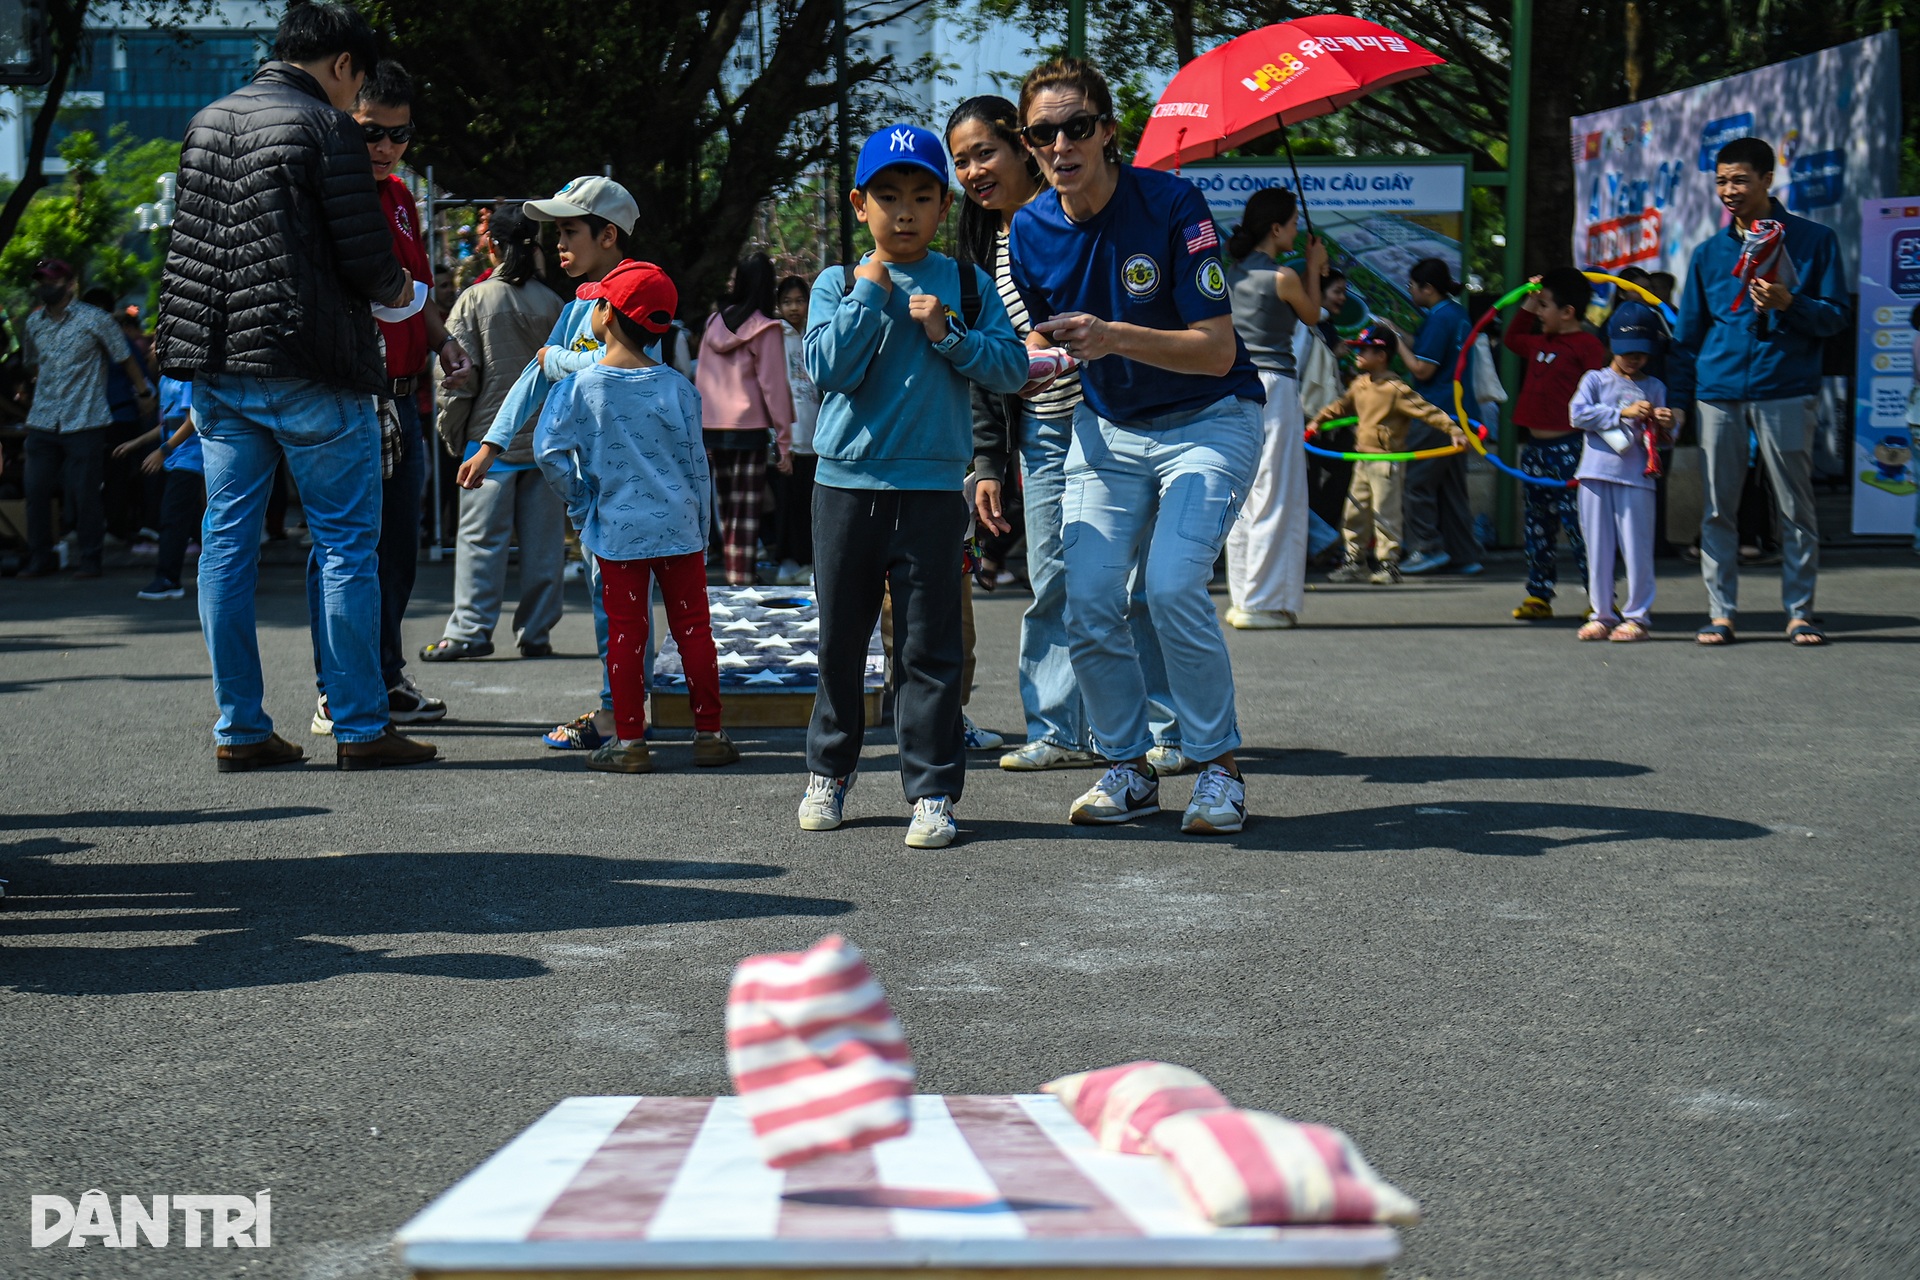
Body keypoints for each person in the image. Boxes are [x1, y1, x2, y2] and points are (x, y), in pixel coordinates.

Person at [156, 0, 433, 770]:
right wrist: (403, 295)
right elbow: (365, 255)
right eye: (358, 82)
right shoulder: (326, 129)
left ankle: (241, 729)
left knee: (225, 547)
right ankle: (360, 726)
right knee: (347, 546)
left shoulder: (208, 121)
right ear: (343, 65)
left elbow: (191, 248)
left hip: (216, 366)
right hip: (310, 362)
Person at [1005, 57, 1267, 835]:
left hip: (1210, 419)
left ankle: (1218, 768)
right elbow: (1043, 336)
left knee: (1171, 585)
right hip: (1108, 431)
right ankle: (1127, 768)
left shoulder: (1174, 203)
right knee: (1086, 597)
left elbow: (1217, 351)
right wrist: (1026, 362)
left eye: (1076, 126)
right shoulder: (1028, 228)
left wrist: (1113, 336)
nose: (1060, 144)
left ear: (1108, 130)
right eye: (1042, 132)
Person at [799, 121, 1028, 849]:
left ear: (944, 206)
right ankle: (829, 773)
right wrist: (869, 295)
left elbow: (1013, 369)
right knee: (842, 639)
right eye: (888, 197)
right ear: (859, 202)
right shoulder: (838, 282)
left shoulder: (966, 283)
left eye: (922, 197)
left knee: (929, 648)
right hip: (845, 487)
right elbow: (827, 370)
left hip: (933, 494)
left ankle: (931, 791)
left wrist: (952, 333)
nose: (904, 213)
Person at [308, 57, 469, 738]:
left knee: (399, 547)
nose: (384, 148)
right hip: (349, 395)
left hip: (404, 399)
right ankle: (337, 688)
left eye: (398, 136)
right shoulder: (326, 191)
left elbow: (421, 292)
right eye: (372, 132)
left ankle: (383, 671)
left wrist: (444, 344)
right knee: (347, 550)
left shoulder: (402, 198)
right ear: (348, 121)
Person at [457, 175, 643, 749]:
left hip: (632, 483)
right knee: (613, 596)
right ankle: (628, 707)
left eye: (569, 231)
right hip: (597, 487)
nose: (557, 244)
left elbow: (626, 377)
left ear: (607, 235)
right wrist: (491, 443)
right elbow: (534, 374)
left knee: (626, 599)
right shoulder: (577, 305)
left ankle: (626, 715)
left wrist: (564, 362)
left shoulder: (638, 301)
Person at [533, 259, 739, 774]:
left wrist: (582, 503)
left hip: (618, 531)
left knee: (628, 634)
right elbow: (698, 468)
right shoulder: (679, 389)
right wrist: (703, 530)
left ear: (606, 313)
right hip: (680, 529)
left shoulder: (579, 388)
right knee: (693, 629)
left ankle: (628, 740)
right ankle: (709, 733)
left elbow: (548, 452)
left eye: (598, 302)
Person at [951, 93, 1106, 774]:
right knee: (1051, 581)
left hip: (1109, 422)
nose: (974, 170)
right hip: (1042, 433)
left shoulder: (1077, 220)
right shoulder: (977, 250)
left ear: (1023, 149)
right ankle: (1056, 729)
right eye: (961, 161)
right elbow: (985, 367)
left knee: (1121, 583)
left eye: (985, 152)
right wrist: (987, 462)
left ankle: (1144, 729)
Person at [1677, 136, 1847, 647]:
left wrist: (1789, 302)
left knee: (1795, 506)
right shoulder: (1708, 254)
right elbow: (1688, 336)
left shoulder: (1815, 241)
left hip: (1786, 389)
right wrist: (1677, 401)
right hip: (1719, 392)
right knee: (1716, 507)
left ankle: (1800, 613)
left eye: (1740, 180)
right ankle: (1721, 612)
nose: (1729, 190)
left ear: (1768, 180)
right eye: (1721, 181)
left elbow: (1836, 317)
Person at [425, 206, 567, 661]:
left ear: (493, 246)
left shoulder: (475, 298)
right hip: (546, 441)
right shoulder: (554, 304)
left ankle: (470, 631)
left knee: (481, 543)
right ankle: (537, 631)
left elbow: (456, 376)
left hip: (491, 442)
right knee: (544, 545)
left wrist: (453, 433)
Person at [1222, 185, 1325, 629]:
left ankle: (1245, 595)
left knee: (1243, 494)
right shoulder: (1284, 277)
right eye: (1294, 222)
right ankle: (1262, 602)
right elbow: (1313, 315)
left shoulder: (1232, 273)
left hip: (1234, 385)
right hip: (1276, 385)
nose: (1298, 229)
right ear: (1277, 227)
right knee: (1277, 492)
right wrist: (1316, 268)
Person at [17, 259, 153, 579]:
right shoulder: (35, 323)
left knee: (84, 492)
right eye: (41, 281)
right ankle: (40, 556)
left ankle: (91, 558)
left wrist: (144, 394)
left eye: (51, 281)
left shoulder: (95, 320)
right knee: (35, 490)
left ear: (69, 284)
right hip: (43, 418)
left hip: (85, 418)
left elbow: (125, 359)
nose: (44, 286)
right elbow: (33, 364)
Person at [1309, 326, 1465, 584]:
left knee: (1385, 513)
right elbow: (1340, 406)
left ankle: (1388, 564)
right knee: (1354, 512)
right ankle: (1354, 561)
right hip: (1362, 460)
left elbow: (1426, 411)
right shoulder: (1360, 385)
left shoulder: (1396, 389)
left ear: (1381, 355)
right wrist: (1317, 421)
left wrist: (1454, 429)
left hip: (1386, 461)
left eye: (1363, 350)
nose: (1356, 354)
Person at [1503, 267, 1609, 620]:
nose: (1539, 312)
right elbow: (1512, 338)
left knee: (1580, 526)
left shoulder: (1588, 346)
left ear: (1568, 312)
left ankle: (1600, 597)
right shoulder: (1537, 342)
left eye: (1545, 306)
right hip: (1534, 450)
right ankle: (1538, 594)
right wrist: (1528, 302)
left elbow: (1599, 393)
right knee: (1537, 524)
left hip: (1572, 448)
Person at [1569, 302, 1676, 642]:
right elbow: (1577, 414)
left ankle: (1637, 616)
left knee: (1637, 548)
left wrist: (1666, 426)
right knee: (1597, 548)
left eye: (1641, 354)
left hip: (1637, 478)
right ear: (1611, 345)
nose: (1634, 359)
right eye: (1627, 352)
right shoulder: (1595, 380)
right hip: (1594, 476)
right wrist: (1621, 411)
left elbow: (1663, 443)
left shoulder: (1656, 387)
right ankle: (1601, 613)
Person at [1382, 258, 1485, 576]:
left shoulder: (1440, 319)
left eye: (1412, 286)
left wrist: (1395, 342)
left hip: (1438, 412)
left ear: (1428, 288)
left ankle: (1426, 548)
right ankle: (1463, 553)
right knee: (1451, 485)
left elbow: (1422, 368)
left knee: (1416, 482)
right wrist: (1397, 331)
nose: (1410, 291)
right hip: (1461, 413)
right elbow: (1426, 350)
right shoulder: (1452, 313)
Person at [696, 252, 793, 586]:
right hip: (748, 428)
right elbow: (774, 386)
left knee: (725, 509)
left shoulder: (712, 324)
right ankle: (742, 578)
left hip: (711, 428)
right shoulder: (766, 329)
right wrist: (784, 440)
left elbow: (702, 380)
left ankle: (733, 575)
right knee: (747, 512)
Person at [114, 375, 205, 600]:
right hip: (175, 458)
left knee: (172, 518)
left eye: (157, 341)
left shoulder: (186, 380)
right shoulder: (165, 379)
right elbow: (168, 424)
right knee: (195, 521)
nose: (152, 346)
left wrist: (163, 450)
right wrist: (139, 442)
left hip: (190, 458)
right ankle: (228, 576)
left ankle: (168, 579)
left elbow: (192, 421)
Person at [773, 273, 819, 585]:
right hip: (788, 433)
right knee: (786, 504)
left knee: (809, 502)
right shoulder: (776, 335)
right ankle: (788, 560)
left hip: (815, 433)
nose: (794, 307)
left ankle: (807, 560)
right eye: (787, 302)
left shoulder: (816, 332)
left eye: (799, 301)